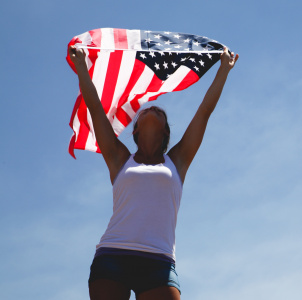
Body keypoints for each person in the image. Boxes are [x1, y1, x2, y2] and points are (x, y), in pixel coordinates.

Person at [68, 44, 239, 300]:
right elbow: (95, 108)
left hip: (159, 261)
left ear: (166, 133)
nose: (153, 108)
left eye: (159, 111)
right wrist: (82, 68)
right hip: (113, 255)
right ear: (134, 131)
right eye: (147, 109)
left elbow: (204, 112)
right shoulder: (119, 158)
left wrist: (223, 70)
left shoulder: (177, 161)